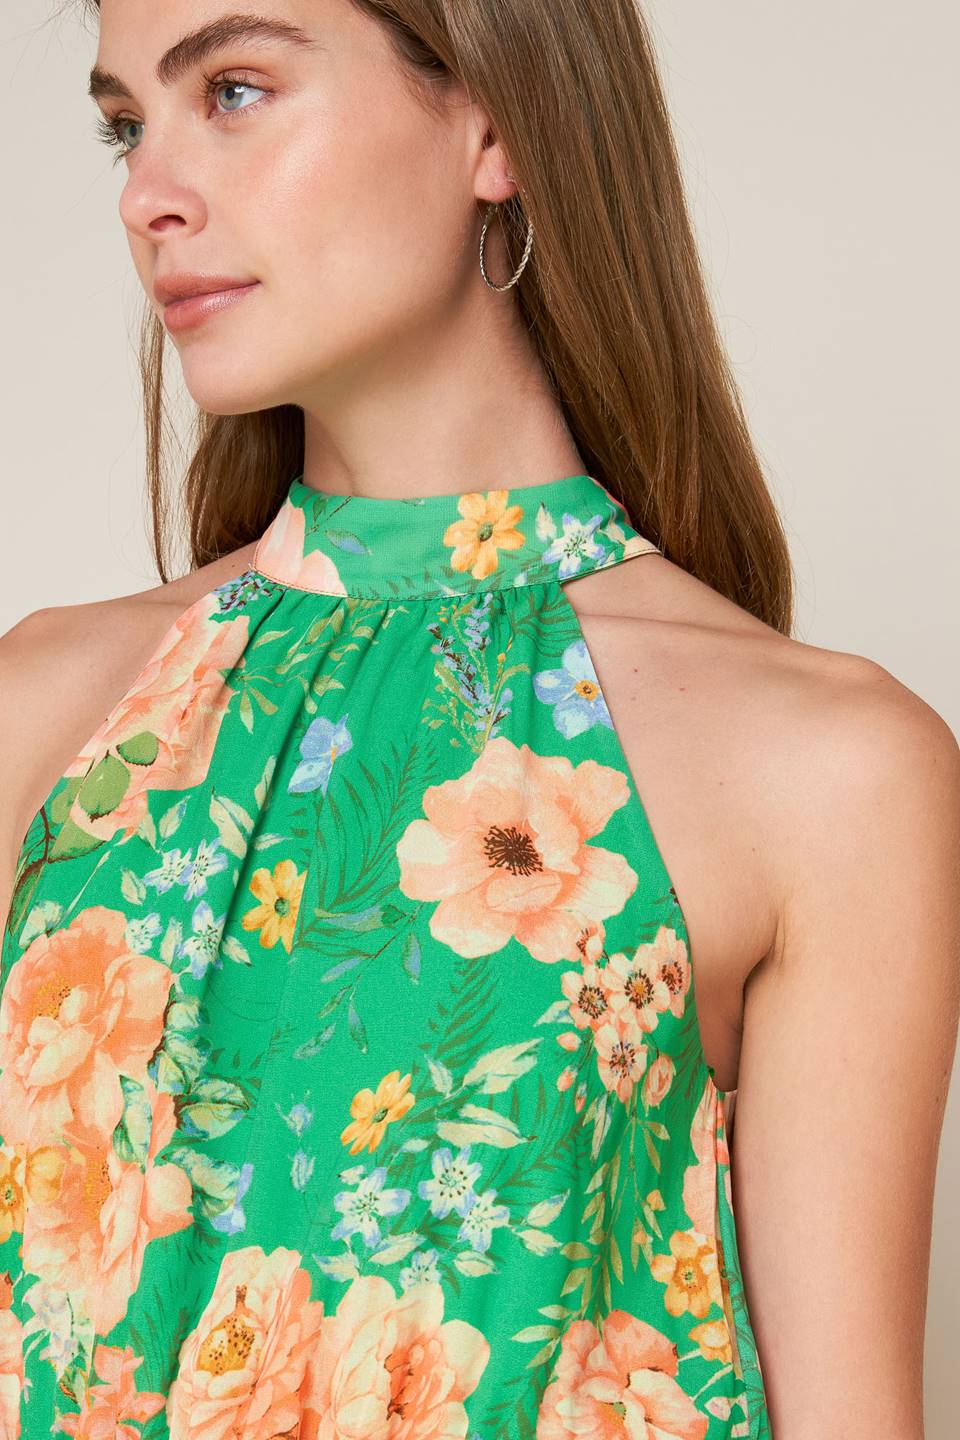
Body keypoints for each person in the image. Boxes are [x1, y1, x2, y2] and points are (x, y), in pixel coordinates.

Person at [1, 1, 957, 1436]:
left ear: (496, 126)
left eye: (237, 91)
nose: (149, 194)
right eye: (126, 125)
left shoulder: (827, 770)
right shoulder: (51, 712)